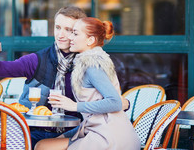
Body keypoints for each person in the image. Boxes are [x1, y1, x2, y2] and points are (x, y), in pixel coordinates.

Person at [0, 6, 87, 148]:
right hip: (35, 131)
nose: (60, 35)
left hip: (74, 133)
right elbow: (5, 68)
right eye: (57, 27)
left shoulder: (88, 63)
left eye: (68, 30)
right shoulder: (39, 59)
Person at [35, 17, 141, 150]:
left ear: (90, 40)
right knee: (43, 145)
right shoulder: (89, 63)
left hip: (111, 138)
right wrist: (64, 136)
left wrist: (74, 106)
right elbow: (92, 120)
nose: (70, 37)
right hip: (102, 132)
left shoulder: (92, 65)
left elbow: (115, 102)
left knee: (42, 146)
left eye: (75, 33)